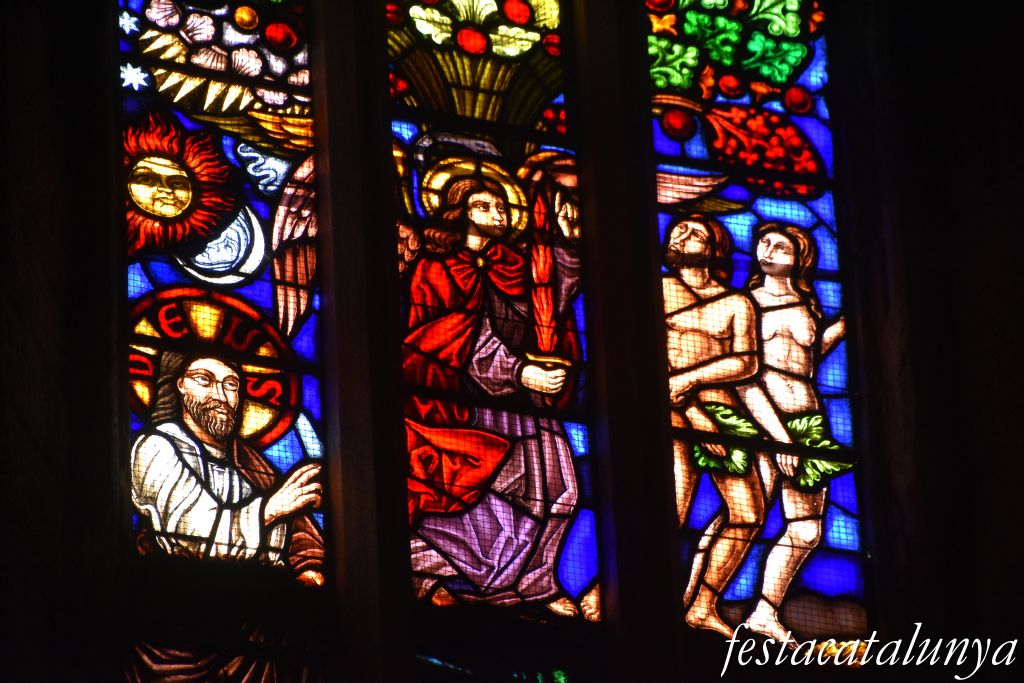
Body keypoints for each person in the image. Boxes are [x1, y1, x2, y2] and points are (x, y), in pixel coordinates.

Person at [403, 172, 589, 614]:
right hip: (468, 402)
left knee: (561, 490)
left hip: (527, 401)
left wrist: (566, 245)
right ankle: (431, 567)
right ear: (459, 213)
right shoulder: (435, 267)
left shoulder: (513, 265)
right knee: (490, 497)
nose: (497, 214)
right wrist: (518, 372)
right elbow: (443, 336)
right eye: (484, 206)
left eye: (502, 207)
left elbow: (548, 305)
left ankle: (537, 584)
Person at [663, 215, 780, 637]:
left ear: (715, 249)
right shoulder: (658, 289)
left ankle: (702, 606)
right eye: (678, 230)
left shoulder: (736, 302)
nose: (682, 235)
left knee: (748, 515)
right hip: (669, 408)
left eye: (695, 232)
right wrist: (692, 411)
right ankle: (606, 595)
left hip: (721, 413)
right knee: (672, 510)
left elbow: (746, 361)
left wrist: (694, 381)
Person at [740, 222, 849, 641]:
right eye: (763, 242)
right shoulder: (746, 303)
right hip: (761, 419)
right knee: (744, 517)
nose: (768, 250)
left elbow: (807, 357)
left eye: (780, 247)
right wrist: (778, 437)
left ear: (799, 259)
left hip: (806, 420)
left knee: (806, 529)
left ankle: (764, 612)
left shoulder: (807, 304)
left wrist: (844, 325)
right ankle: (699, 597)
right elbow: (746, 374)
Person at [131, 352, 325, 585]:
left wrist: (308, 568)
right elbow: (195, 534)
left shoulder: (249, 462)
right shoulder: (157, 446)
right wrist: (270, 510)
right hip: (178, 586)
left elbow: (300, 536)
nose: (221, 395)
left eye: (231, 384)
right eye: (204, 379)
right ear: (180, 384)